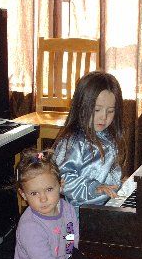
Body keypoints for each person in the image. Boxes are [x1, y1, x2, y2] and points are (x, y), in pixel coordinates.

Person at [53, 70, 125, 218]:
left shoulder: (107, 136)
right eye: (97, 109)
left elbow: (109, 171)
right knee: (71, 242)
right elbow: (63, 179)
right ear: (81, 106)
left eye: (110, 111)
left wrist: (119, 183)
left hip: (103, 206)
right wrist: (94, 187)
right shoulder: (74, 142)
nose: (103, 117)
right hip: (79, 214)